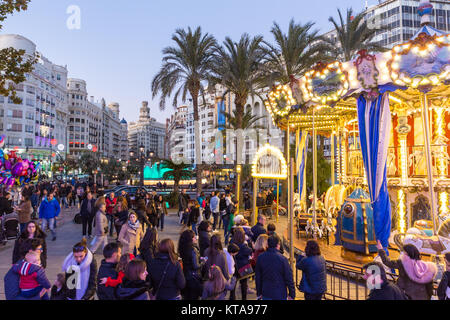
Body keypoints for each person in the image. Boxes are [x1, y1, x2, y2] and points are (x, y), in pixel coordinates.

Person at [256, 235, 295, 300]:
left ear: (267, 244)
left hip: (266, 292)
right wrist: (292, 294)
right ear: (278, 245)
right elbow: (289, 278)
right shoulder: (283, 259)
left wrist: (259, 293)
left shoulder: (260, 257)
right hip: (280, 293)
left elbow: (258, 277)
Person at [178, 229, 203, 300]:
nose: (196, 238)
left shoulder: (183, 247)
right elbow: (196, 266)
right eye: (194, 237)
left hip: (185, 275)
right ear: (190, 239)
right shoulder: (193, 250)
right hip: (194, 277)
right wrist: (203, 262)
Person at [231, 227, 252, 300]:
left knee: (233, 283)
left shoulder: (232, 242)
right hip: (243, 267)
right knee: (243, 284)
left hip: (234, 266)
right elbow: (250, 251)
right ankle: (244, 298)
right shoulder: (243, 246)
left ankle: (232, 297)